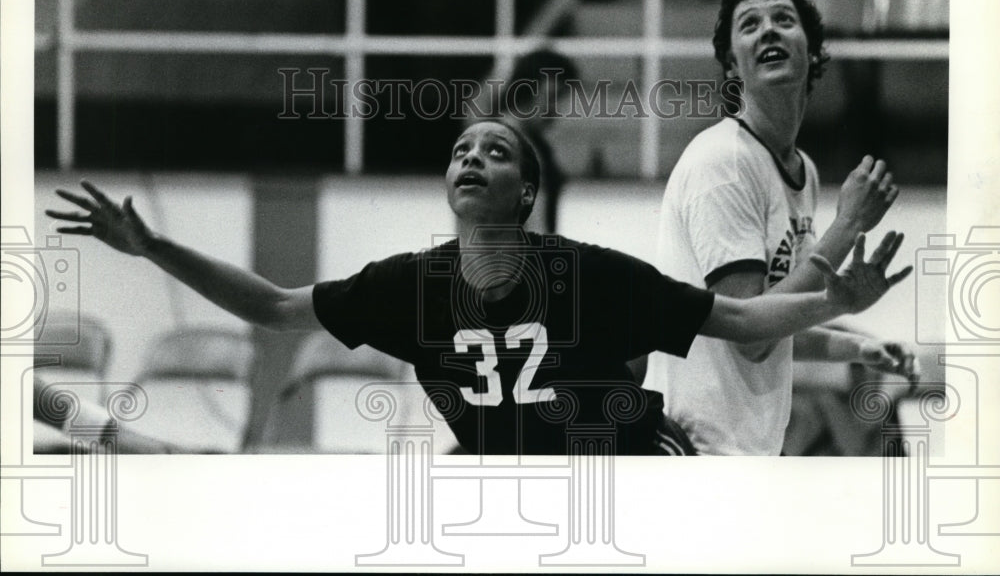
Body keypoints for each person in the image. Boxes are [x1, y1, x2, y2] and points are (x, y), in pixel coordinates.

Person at [47, 120, 911, 456]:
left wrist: (836, 301)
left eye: (496, 151)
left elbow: (738, 315)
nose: (472, 158)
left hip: (626, 469)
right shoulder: (409, 288)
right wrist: (153, 245)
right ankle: (92, 429)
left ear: (526, 193)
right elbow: (274, 305)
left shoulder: (589, 274)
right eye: (462, 149)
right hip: (493, 474)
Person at [640, 0, 919, 456]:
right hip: (697, 446)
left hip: (750, 447)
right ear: (732, 67)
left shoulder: (801, 170)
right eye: (750, 25)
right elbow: (747, 331)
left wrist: (852, 349)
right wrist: (847, 228)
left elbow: (777, 319)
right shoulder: (723, 163)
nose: (768, 30)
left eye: (783, 20)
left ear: (812, 52)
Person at [494, 49, 578, 233]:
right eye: (553, 97)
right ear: (527, 91)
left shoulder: (494, 139)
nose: (556, 108)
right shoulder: (519, 147)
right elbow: (535, 230)